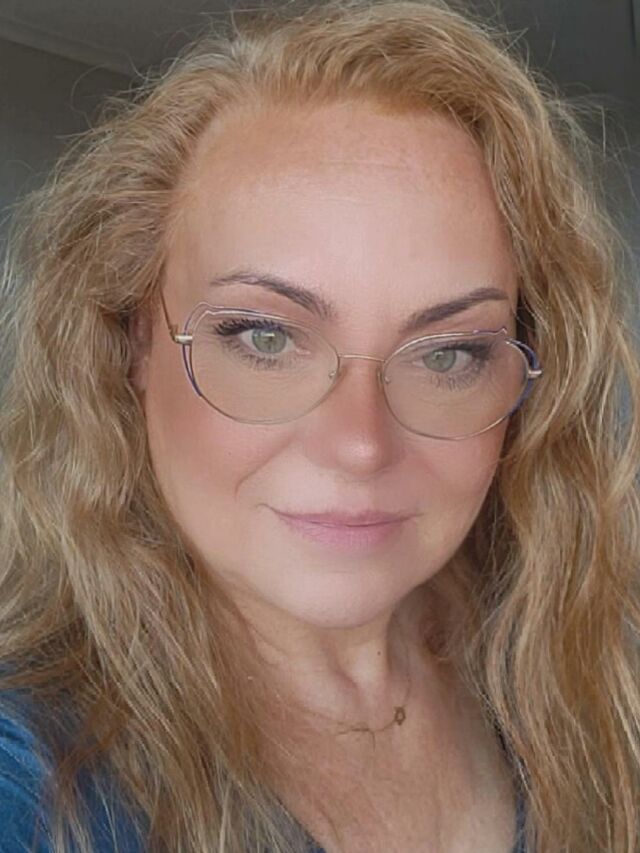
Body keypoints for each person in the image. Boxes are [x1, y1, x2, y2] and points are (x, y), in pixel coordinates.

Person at [0, 0, 638, 850]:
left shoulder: (585, 667)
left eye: (448, 352)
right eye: (265, 337)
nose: (361, 444)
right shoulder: (34, 777)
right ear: (132, 344)